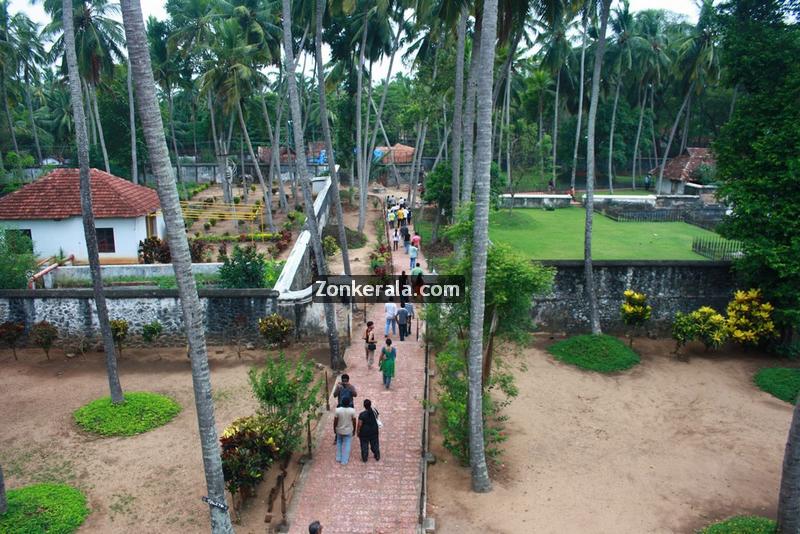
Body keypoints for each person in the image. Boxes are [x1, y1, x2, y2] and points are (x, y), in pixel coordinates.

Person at [333, 396, 357, 465]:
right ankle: (344, 461)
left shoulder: (337, 410)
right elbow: (354, 421)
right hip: (348, 430)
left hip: (339, 430)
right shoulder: (352, 411)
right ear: (349, 403)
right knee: (347, 444)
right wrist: (354, 430)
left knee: (339, 443)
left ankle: (338, 457)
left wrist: (334, 429)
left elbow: (335, 421)